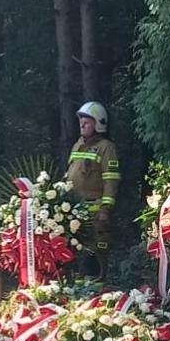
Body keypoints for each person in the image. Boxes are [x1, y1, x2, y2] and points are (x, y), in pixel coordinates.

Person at [65, 101, 121, 280]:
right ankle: (81, 282)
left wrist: (106, 208)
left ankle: (100, 282)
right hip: (75, 209)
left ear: (98, 124)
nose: (81, 124)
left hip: (95, 210)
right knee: (78, 249)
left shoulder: (106, 148)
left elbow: (111, 179)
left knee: (99, 248)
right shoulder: (77, 145)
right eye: (81, 120)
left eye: (87, 121)